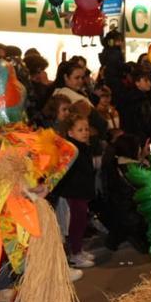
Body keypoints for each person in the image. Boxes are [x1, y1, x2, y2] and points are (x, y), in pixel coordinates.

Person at [52, 110, 97, 268]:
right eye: (80, 130)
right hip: (73, 193)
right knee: (75, 224)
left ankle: (78, 249)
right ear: (70, 133)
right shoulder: (71, 149)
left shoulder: (84, 148)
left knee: (81, 221)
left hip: (82, 191)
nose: (85, 133)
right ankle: (75, 254)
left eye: (86, 129)